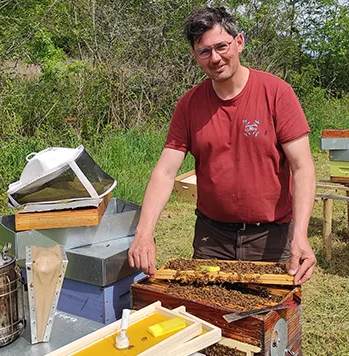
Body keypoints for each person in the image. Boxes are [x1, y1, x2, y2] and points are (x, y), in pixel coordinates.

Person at [128, 6, 316, 285]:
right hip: (211, 238)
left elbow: (302, 168)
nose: (215, 58)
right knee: (211, 320)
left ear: (239, 42)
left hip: (271, 238)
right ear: (195, 56)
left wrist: (300, 236)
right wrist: (144, 233)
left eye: (221, 46)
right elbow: (165, 172)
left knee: (271, 324)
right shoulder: (189, 105)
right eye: (205, 51)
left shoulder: (276, 93)